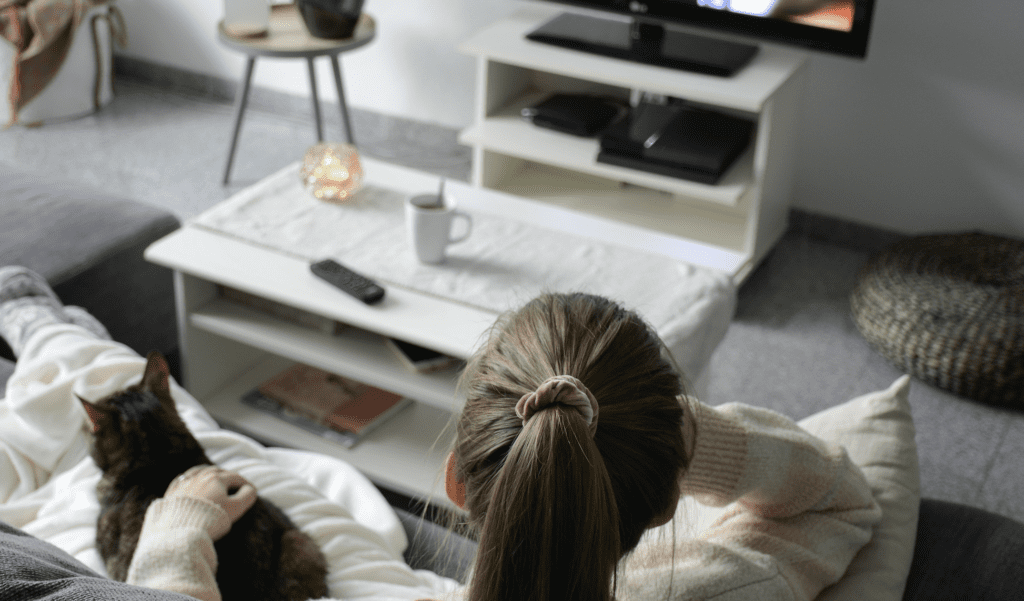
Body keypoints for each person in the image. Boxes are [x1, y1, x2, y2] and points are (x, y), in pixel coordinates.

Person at [1, 268, 882, 601]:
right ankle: (45, 321)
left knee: (199, 439)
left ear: (456, 482)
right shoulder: (724, 587)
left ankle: (35, 315)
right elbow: (839, 501)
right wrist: (670, 431)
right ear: (662, 501)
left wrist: (174, 541)